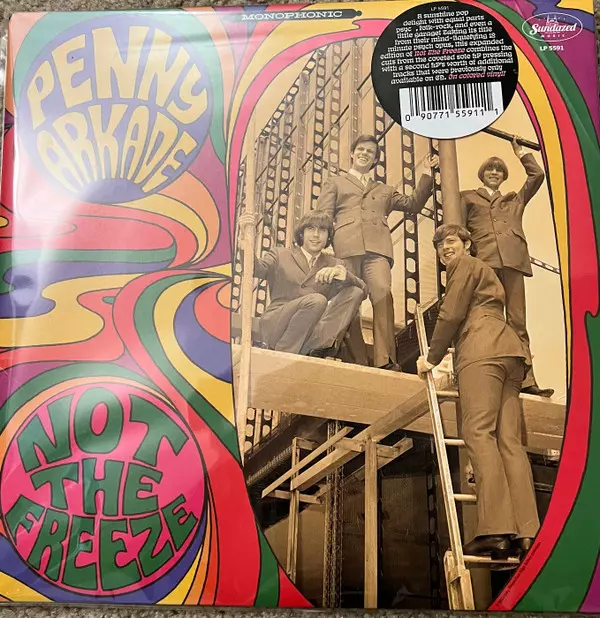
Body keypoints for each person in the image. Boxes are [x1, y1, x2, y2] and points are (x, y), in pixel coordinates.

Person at [417, 223, 540, 559]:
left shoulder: (464, 266)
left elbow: (451, 313)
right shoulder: (487, 272)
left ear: (467, 244)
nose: (445, 249)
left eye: (451, 241)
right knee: (509, 441)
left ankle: (496, 530)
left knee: (477, 432)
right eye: (440, 246)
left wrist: (431, 358)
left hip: (481, 351)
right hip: (511, 354)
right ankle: (527, 533)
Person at [316, 134, 438, 371]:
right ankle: (356, 359)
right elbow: (323, 216)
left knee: (382, 294)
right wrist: (323, 248)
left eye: (370, 152)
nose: (364, 154)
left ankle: (385, 360)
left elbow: (413, 204)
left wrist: (426, 172)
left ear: (374, 160)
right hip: (346, 248)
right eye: (361, 149)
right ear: (352, 153)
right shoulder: (335, 183)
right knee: (349, 298)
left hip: (378, 250)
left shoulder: (384, 190)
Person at [460, 137, 553, 397]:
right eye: (490, 169)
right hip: (484, 263)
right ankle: (488, 376)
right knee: (487, 319)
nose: (494, 173)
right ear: (482, 173)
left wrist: (520, 153)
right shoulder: (467, 197)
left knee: (517, 322)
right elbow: (459, 231)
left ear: (503, 177)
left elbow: (537, 176)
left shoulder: (514, 200)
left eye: (499, 170)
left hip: (512, 263)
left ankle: (526, 380)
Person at [237, 210, 367, 357]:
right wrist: (245, 241)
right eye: (311, 229)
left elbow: (363, 291)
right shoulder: (280, 254)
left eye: (322, 230)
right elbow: (254, 270)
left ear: (328, 236)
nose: (316, 235)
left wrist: (344, 274)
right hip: (279, 324)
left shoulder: (335, 264)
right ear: (301, 233)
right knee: (317, 300)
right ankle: (285, 352)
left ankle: (319, 348)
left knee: (355, 292)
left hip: (310, 334)